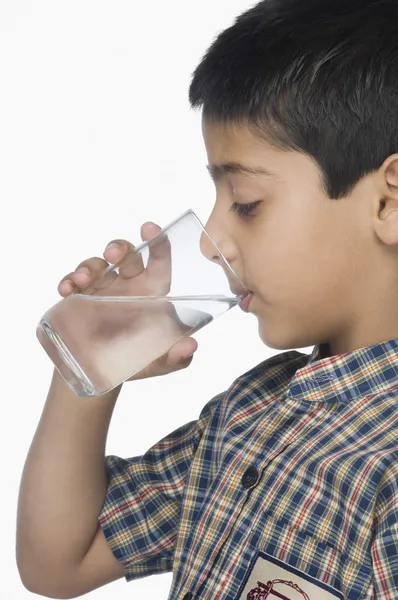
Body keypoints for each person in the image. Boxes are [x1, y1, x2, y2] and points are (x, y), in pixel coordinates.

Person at [16, 0, 398, 597]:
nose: (212, 238)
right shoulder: (250, 412)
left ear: (388, 202)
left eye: (245, 202)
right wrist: (88, 368)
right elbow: (57, 563)